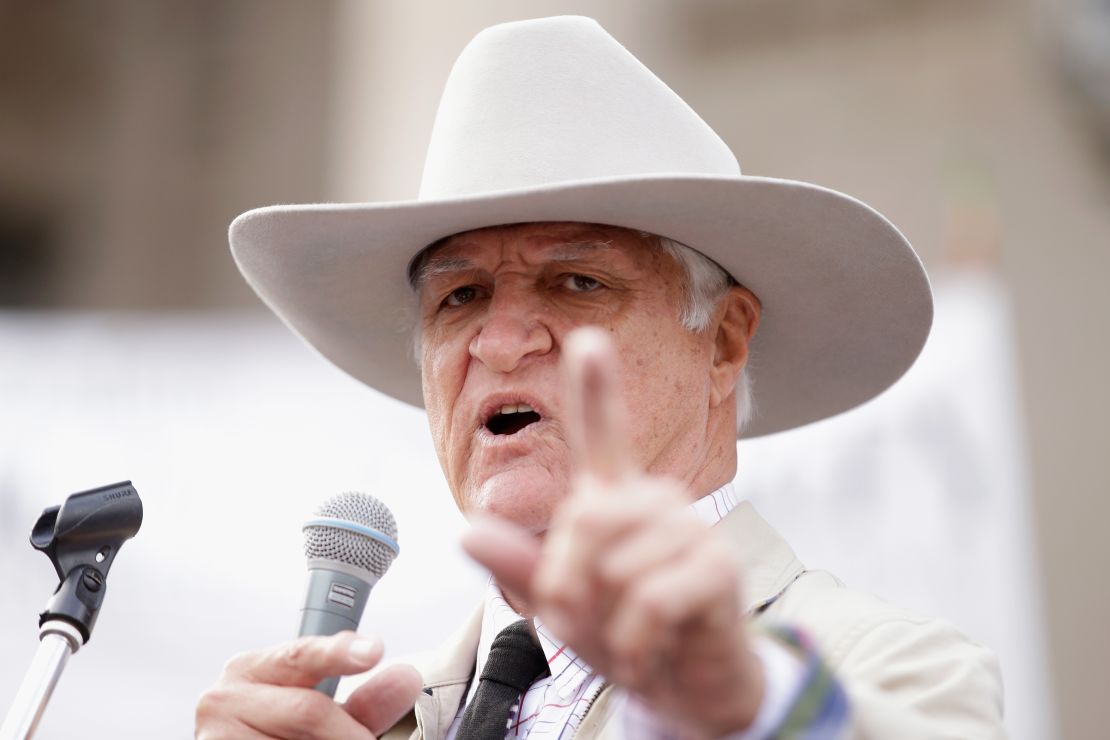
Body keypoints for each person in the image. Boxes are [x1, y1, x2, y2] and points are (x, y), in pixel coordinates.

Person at [197, 16, 1005, 739]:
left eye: (579, 282)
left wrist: (747, 708)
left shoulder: (889, 673)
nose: (501, 341)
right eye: (461, 295)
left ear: (723, 343)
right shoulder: (375, 724)